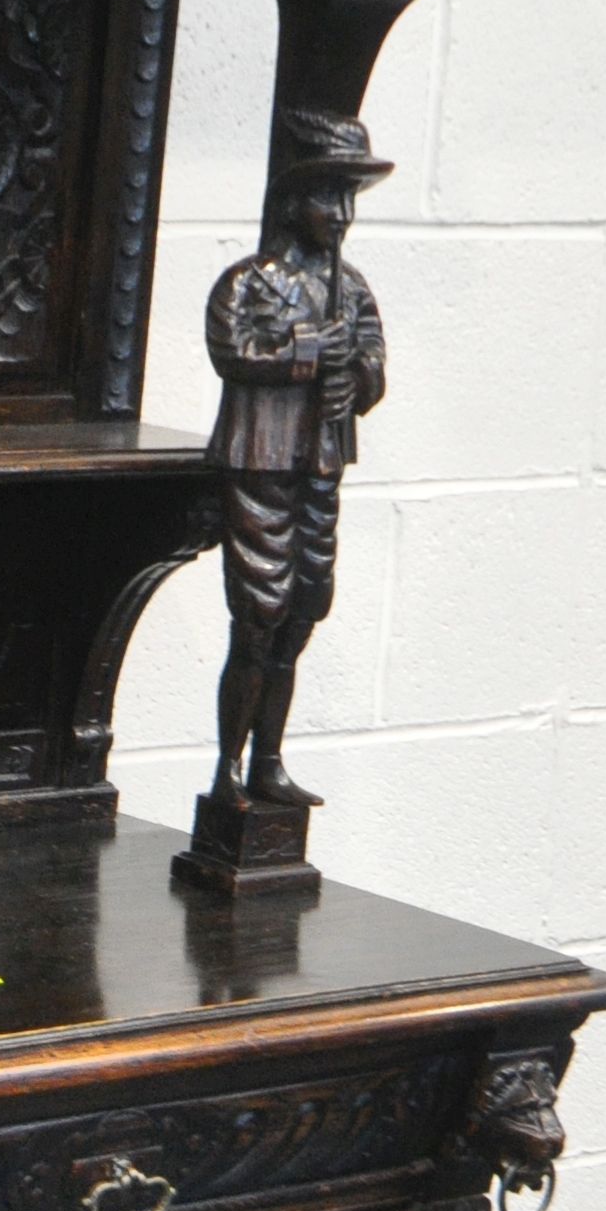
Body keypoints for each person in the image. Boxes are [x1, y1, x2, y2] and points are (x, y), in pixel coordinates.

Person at [200, 107, 390, 813]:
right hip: (261, 465)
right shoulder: (249, 284)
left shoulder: (352, 289)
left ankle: (269, 760)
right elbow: (235, 352)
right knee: (260, 612)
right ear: (293, 199)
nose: (340, 214)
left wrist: (357, 375)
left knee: (305, 607)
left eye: (349, 198)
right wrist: (312, 352)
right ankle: (228, 766)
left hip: (319, 463)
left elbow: (373, 366)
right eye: (327, 195)